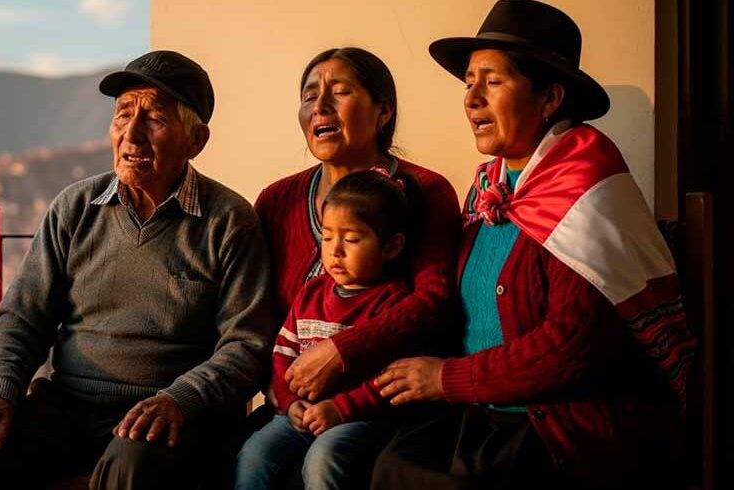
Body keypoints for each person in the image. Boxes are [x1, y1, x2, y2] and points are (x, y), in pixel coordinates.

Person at [369, 1, 696, 488]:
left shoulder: (588, 188)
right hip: (483, 412)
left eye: (493, 82)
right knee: (385, 461)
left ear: (549, 99)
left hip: (560, 424)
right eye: (469, 83)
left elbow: (571, 348)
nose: (472, 98)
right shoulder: (490, 190)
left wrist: (443, 379)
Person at [0, 50, 276, 490]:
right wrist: (0, 395)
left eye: (154, 118)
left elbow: (246, 345)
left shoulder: (228, 220)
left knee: (132, 464)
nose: (131, 135)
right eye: (122, 115)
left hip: (170, 416)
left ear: (196, 140)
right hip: (68, 407)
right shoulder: (74, 208)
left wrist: (179, 399)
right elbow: (23, 318)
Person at [254, 47, 461, 412]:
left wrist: (340, 352)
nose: (320, 106)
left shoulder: (426, 191)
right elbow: (258, 316)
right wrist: (278, 390)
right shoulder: (276, 200)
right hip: (294, 405)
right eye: (309, 95)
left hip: (379, 406)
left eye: (340, 91)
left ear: (383, 111)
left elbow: (432, 304)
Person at [236, 169, 427, 490]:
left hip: (357, 417)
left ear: (392, 247)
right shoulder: (311, 292)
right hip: (299, 412)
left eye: (351, 239)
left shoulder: (392, 303)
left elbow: (390, 380)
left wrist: (340, 408)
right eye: (326, 237)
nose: (335, 250)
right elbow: (284, 354)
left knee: (323, 458)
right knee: (255, 453)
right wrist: (289, 402)